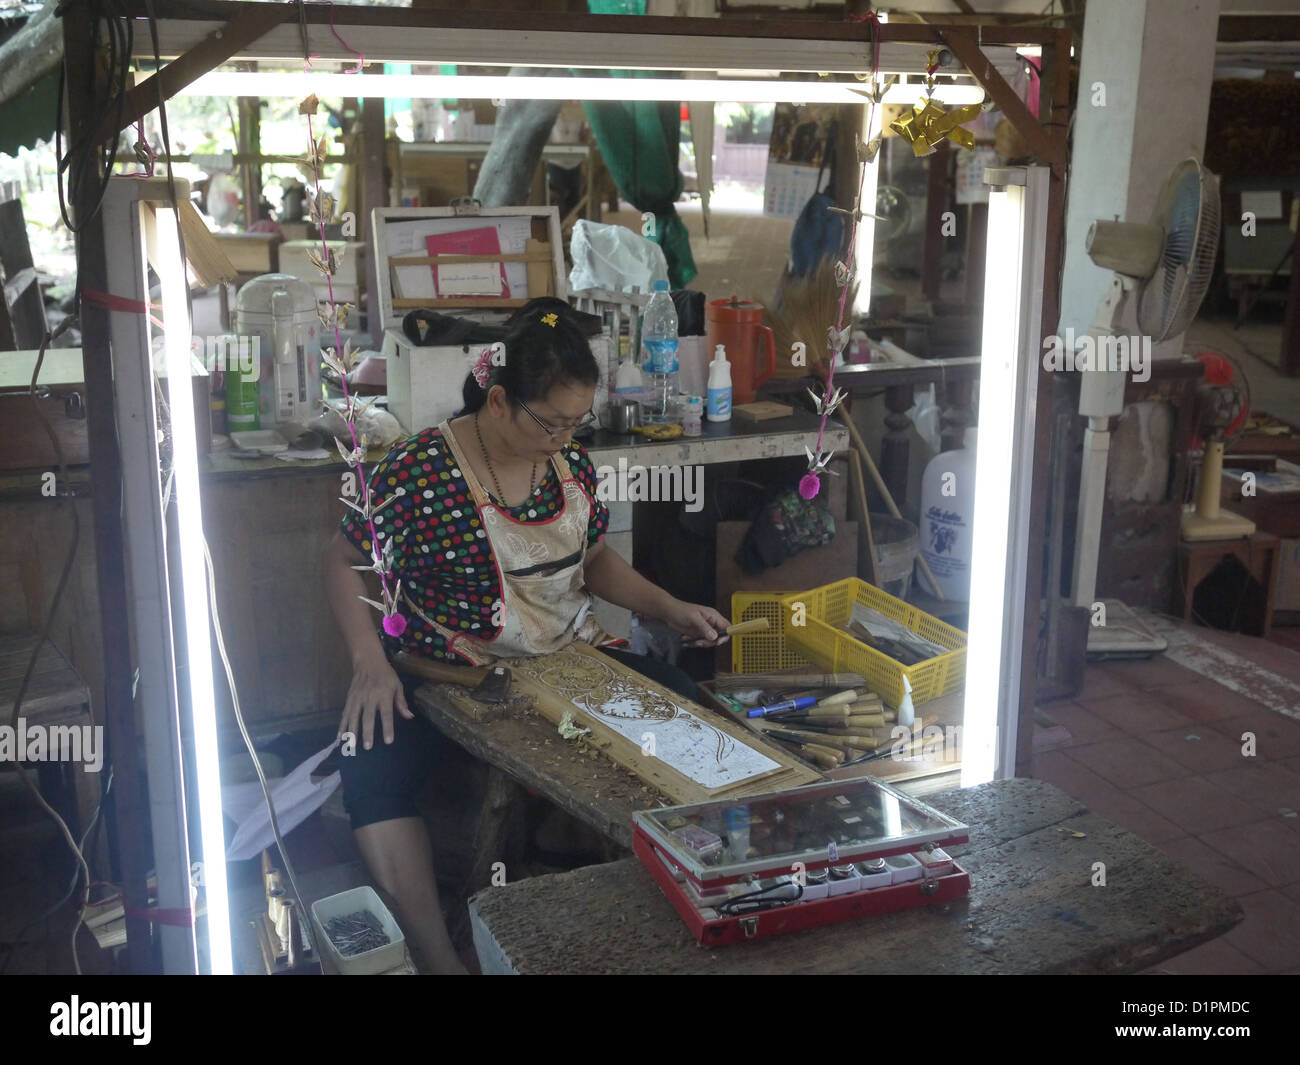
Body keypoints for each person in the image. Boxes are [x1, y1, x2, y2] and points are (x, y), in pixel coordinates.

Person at [324, 297, 730, 973]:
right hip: (450, 669)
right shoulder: (422, 469)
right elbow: (342, 558)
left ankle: (692, 920)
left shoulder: (568, 463)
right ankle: (438, 954)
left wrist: (668, 606)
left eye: (578, 421)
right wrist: (370, 661)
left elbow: (592, 556)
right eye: (553, 421)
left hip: (567, 656)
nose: (566, 436)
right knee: (369, 761)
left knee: (688, 716)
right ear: (500, 400)